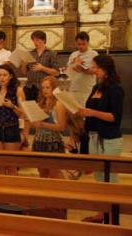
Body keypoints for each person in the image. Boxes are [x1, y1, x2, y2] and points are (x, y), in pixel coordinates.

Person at [78, 55, 124, 222]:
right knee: (98, 178)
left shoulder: (115, 89)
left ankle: (112, 215)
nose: (93, 70)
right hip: (93, 137)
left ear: (106, 69)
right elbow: (89, 109)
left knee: (109, 179)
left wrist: (91, 113)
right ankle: (101, 213)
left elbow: (115, 118)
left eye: (96, 67)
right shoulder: (95, 87)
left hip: (109, 139)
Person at [0, 65, 25, 175]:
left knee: (11, 165)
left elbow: (23, 114)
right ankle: (0, 190)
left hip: (11, 128)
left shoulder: (18, 91)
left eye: (5, 75)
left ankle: (13, 191)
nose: (2, 78)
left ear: (11, 76)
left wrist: (12, 106)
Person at [31, 76, 67, 179]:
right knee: (42, 173)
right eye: (43, 88)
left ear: (54, 88)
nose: (45, 90)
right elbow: (36, 125)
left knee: (54, 174)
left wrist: (43, 124)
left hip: (53, 142)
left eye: (47, 87)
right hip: (39, 141)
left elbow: (61, 127)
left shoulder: (59, 104)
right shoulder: (40, 103)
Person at [22, 30, 59, 101]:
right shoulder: (30, 53)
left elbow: (56, 73)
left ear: (44, 40)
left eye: (37, 40)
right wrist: (24, 64)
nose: (35, 42)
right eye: (33, 40)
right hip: (29, 87)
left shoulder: (51, 53)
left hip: (43, 88)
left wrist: (42, 68)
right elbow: (24, 72)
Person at [66, 32, 98, 106]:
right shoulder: (73, 54)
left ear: (88, 43)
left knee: (85, 111)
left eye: (83, 44)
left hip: (87, 89)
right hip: (73, 87)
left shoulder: (93, 54)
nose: (81, 46)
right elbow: (67, 70)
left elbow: (96, 70)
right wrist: (73, 64)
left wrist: (82, 69)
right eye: (79, 44)